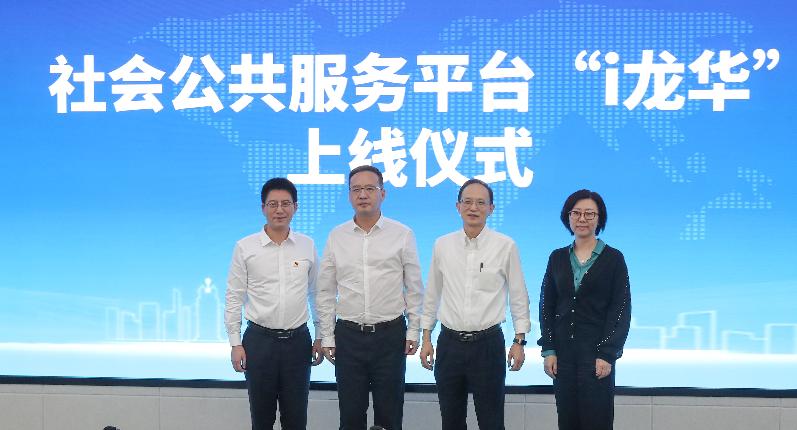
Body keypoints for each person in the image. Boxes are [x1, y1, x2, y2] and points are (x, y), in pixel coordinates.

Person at [316, 165, 424, 430]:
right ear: (349, 195)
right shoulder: (336, 236)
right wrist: (327, 335)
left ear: (382, 193)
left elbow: (414, 288)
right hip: (348, 337)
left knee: (390, 415)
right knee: (351, 416)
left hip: (390, 336)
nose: (362, 195)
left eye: (369, 188)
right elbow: (326, 291)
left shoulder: (402, 234)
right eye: (356, 189)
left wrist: (414, 331)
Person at [419, 178, 531, 430]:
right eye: (467, 201)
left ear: (491, 208)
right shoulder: (442, 245)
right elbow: (432, 294)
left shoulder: (505, 246)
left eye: (481, 203)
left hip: (488, 345)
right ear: (457, 206)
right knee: (451, 421)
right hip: (449, 344)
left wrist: (519, 341)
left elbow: (518, 296)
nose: (473, 207)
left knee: (491, 422)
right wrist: (426, 338)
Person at [225, 177, 324, 430]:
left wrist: (320, 336)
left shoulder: (307, 245)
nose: (279, 210)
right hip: (259, 343)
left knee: (296, 419)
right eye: (273, 204)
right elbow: (234, 296)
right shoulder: (245, 247)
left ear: (295, 207)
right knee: (262, 419)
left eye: (285, 204)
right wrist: (235, 343)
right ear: (263, 208)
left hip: (298, 343)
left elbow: (317, 293)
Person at [537, 189, 631, 430]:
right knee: (567, 420)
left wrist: (607, 354)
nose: (582, 219)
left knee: (597, 421)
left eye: (589, 214)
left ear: (599, 219)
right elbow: (547, 305)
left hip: (596, 356)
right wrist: (549, 349)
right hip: (562, 356)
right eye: (576, 213)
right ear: (568, 217)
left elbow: (620, 309)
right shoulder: (557, 257)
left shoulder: (614, 259)